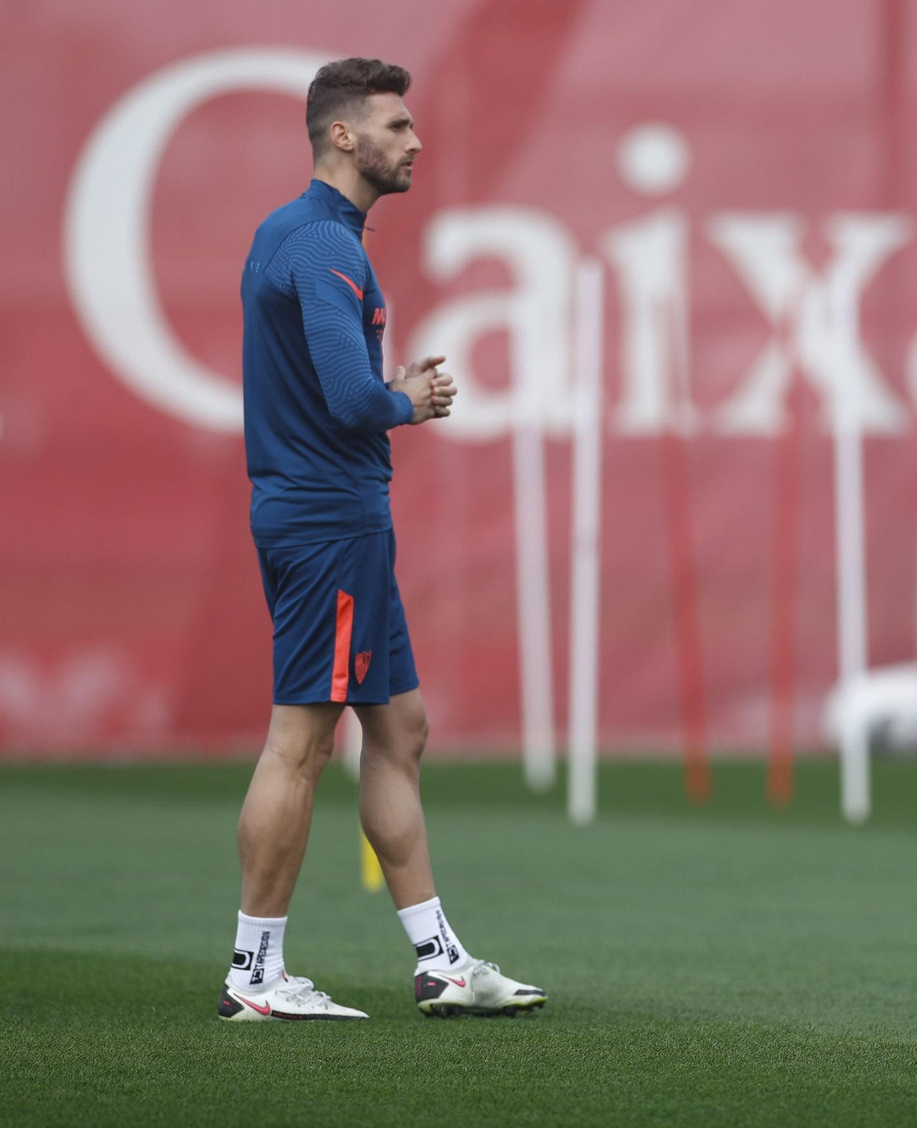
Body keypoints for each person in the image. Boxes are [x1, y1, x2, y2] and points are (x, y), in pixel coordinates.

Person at [220, 57, 547, 1021]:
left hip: (332, 514)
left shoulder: (297, 237)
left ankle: (440, 962)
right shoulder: (324, 245)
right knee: (300, 746)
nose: (416, 142)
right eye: (397, 127)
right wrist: (407, 398)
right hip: (327, 520)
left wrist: (383, 394)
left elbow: (334, 388)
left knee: (398, 730)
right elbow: (349, 398)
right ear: (344, 138)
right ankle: (257, 974)